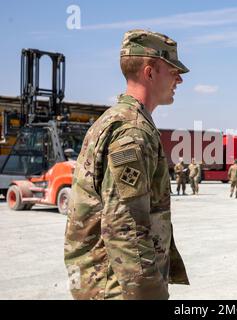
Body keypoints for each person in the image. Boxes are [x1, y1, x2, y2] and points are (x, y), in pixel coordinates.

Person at [64, 29, 189, 300]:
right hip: (119, 289)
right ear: (150, 72)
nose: (179, 79)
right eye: (173, 70)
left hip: (107, 283)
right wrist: (151, 294)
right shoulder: (132, 131)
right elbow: (126, 227)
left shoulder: (119, 120)